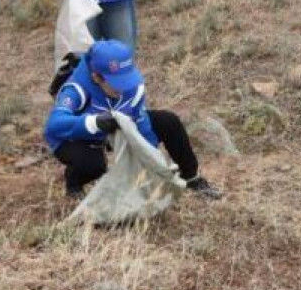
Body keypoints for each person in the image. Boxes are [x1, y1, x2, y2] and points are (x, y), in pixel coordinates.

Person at [43, 39, 222, 199]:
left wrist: (151, 163)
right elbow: (54, 126)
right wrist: (94, 122)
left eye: (125, 79)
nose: (123, 88)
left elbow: (140, 124)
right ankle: (73, 182)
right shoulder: (76, 88)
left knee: (169, 122)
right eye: (116, 82)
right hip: (76, 136)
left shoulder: (131, 85)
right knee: (93, 165)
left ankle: (191, 178)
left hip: (113, 130)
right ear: (96, 77)